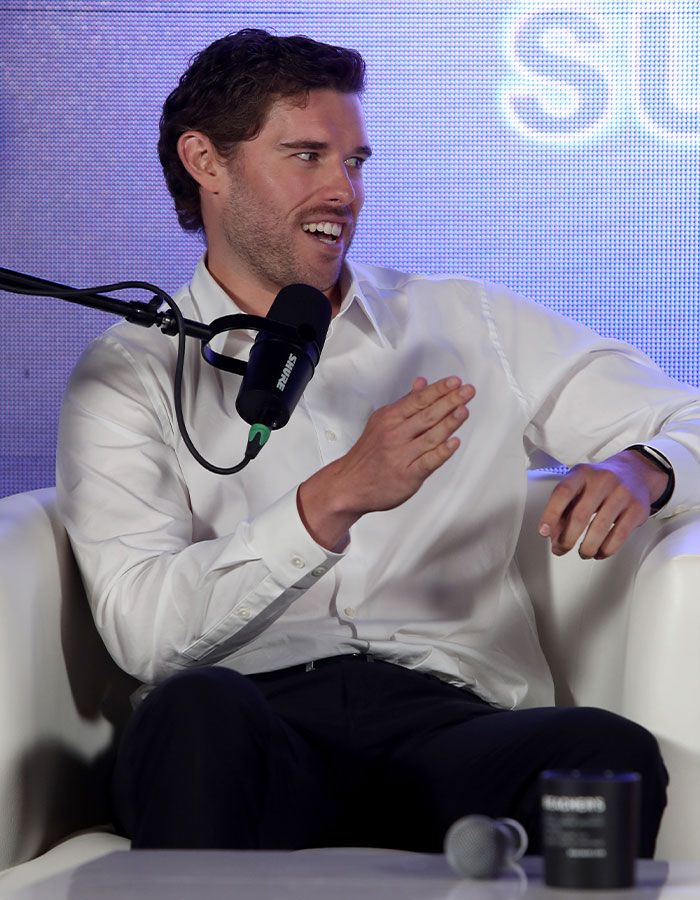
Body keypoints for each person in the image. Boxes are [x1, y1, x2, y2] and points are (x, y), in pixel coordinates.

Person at [57, 29, 700, 855]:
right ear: (205, 162)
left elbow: (685, 418)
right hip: (251, 732)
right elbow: (142, 631)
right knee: (194, 713)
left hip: (449, 733)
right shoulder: (130, 371)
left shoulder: (469, 321)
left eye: (355, 162)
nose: (344, 192)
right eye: (307, 156)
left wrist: (644, 466)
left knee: (603, 752)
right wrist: (333, 498)